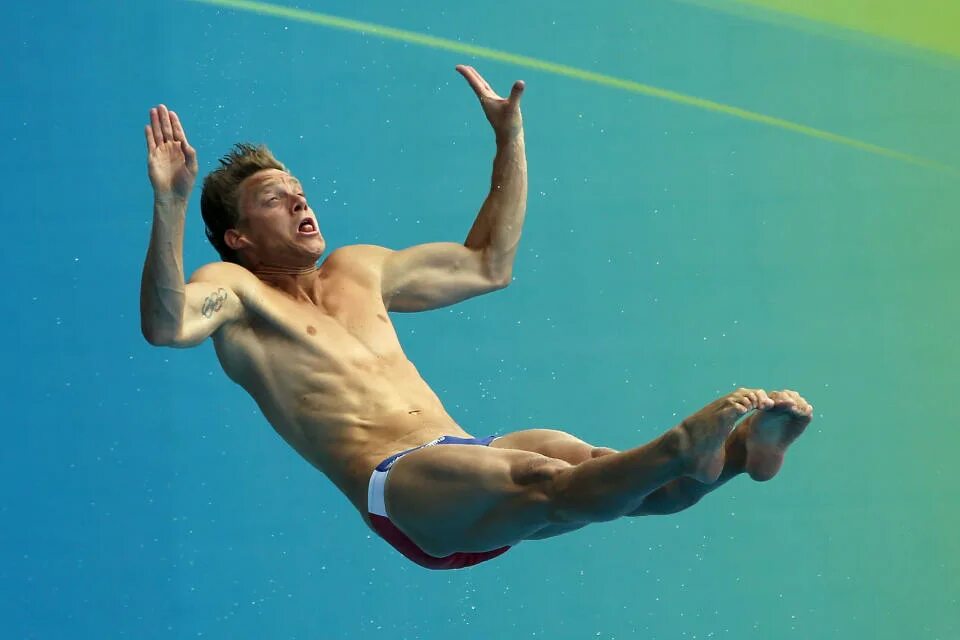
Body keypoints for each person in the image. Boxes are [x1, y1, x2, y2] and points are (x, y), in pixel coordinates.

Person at [140, 64, 813, 570]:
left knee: (615, 475)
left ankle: (736, 457)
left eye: (298, 191)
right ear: (238, 237)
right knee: (550, 479)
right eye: (271, 199)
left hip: (462, 453)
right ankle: (679, 444)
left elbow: (490, 264)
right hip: (403, 491)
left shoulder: (359, 269)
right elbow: (167, 324)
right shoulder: (235, 291)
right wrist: (171, 203)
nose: (296, 202)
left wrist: (508, 138)